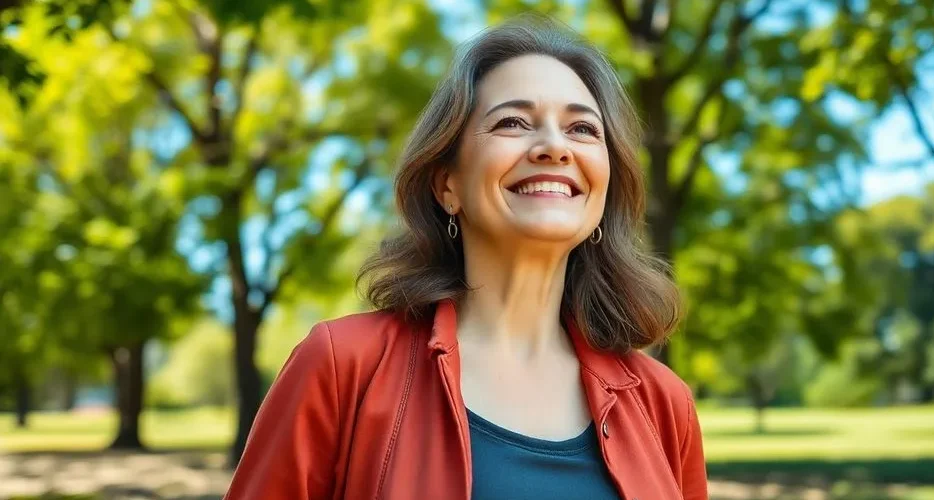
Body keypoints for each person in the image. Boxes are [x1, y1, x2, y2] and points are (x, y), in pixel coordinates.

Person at [224, 15, 707, 500]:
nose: (555, 147)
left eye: (582, 128)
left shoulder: (664, 403)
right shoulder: (341, 366)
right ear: (446, 184)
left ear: (604, 186)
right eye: (513, 122)